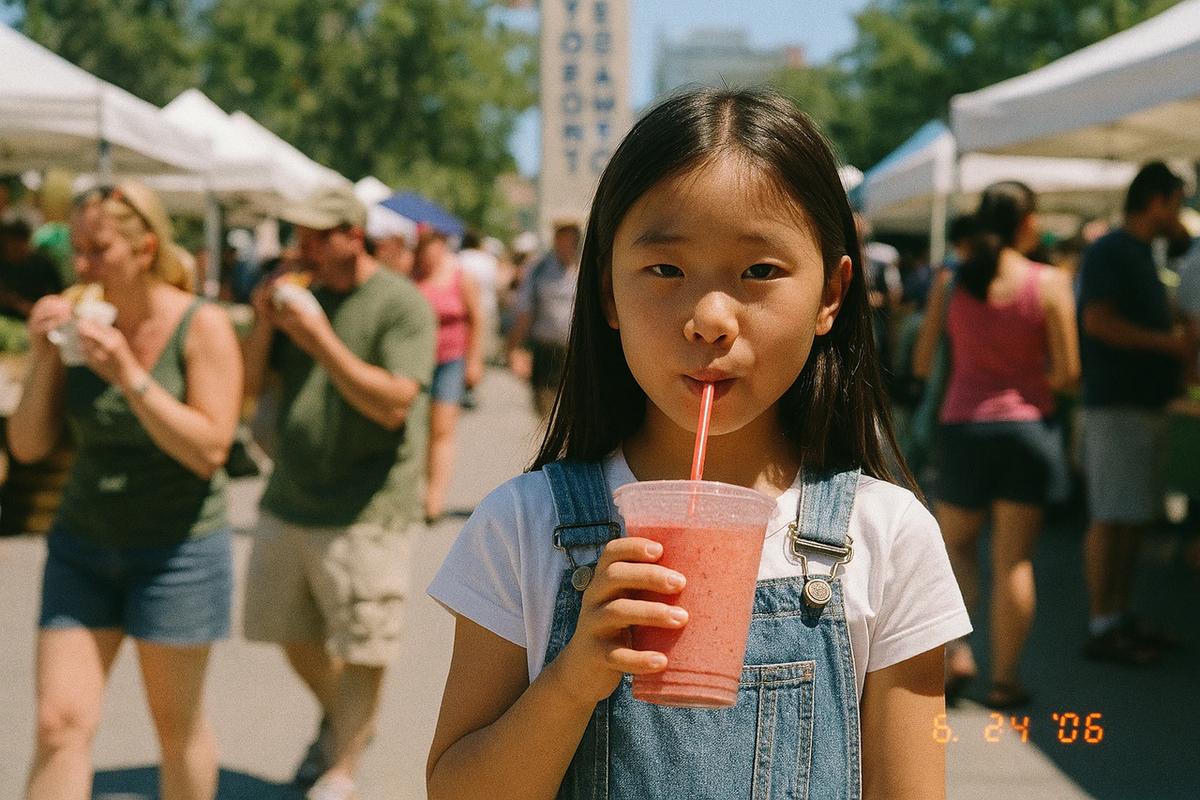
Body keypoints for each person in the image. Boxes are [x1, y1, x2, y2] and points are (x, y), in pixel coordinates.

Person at [425, 88, 971, 799]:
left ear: (832, 296)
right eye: (666, 270)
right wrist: (571, 683)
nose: (710, 319)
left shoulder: (889, 540)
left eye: (760, 272)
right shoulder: (522, 531)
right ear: (608, 294)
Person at [9, 182, 242, 800]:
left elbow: (211, 450)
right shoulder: (78, 325)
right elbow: (29, 447)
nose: (81, 267)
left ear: (144, 249)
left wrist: (131, 375)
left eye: (98, 250)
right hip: (83, 546)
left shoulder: (203, 325)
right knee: (58, 725)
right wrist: (42, 356)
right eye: (76, 252)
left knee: (177, 728)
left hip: (177, 554)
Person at [240, 184, 436, 800]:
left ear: (354, 236)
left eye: (316, 238)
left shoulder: (400, 304)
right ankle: (347, 723)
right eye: (298, 238)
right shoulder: (300, 297)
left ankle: (342, 767)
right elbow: (247, 388)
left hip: (368, 502)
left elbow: (393, 405)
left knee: (363, 643)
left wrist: (320, 337)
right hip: (292, 490)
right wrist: (266, 325)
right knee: (286, 629)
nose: (302, 251)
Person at [913, 182, 1079, 709]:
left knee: (956, 546)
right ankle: (1006, 680)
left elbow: (921, 363)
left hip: (963, 428)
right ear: (1025, 222)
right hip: (1029, 432)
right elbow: (1070, 373)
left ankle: (957, 652)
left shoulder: (952, 279)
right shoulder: (1050, 282)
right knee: (1014, 561)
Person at [1075, 161, 1195, 665]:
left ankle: (1117, 617)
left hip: (1138, 404)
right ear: (1159, 201)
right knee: (1113, 516)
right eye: (1179, 202)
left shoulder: (1140, 253)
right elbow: (1097, 322)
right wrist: (1167, 345)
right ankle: (1104, 622)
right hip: (1118, 404)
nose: (1182, 214)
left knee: (1130, 516)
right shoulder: (1111, 251)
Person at [412, 228, 485, 523]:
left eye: (432, 244)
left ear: (442, 244)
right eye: (422, 245)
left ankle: (434, 496)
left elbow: (476, 319)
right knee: (416, 429)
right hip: (416, 362)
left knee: (442, 429)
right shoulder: (410, 274)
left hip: (450, 360)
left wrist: (474, 361)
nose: (427, 251)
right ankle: (414, 489)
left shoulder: (460, 276)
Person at [506, 220, 581, 417]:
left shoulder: (586, 269)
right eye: (564, 238)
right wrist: (515, 349)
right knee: (545, 413)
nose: (569, 245)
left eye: (573, 239)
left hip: (578, 354)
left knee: (576, 415)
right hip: (546, 352)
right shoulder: (538, 270)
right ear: (556, 239)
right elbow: (525, 313)